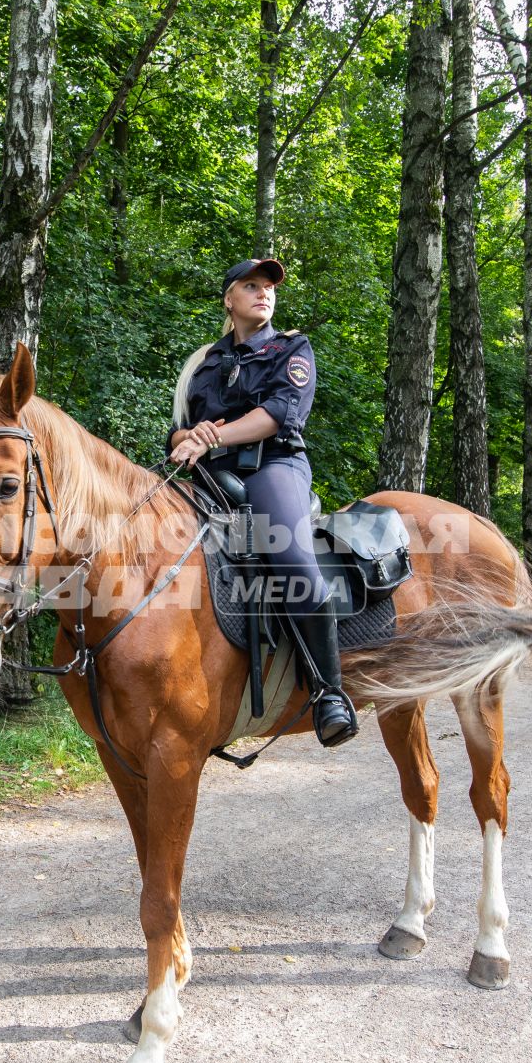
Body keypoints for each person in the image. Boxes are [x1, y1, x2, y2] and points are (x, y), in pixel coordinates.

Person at [166, 257, 357, 747]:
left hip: (273, 465)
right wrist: (192, 436)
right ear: (229, 299)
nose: (263, 293)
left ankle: (328, 693)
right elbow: (177, 433)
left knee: (292, 558)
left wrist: (211, 436)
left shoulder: (291, 348)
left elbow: (276, 414)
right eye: (250, 285)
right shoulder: (203, 363)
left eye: (268, 286)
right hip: (209, 470)